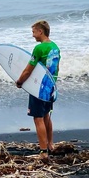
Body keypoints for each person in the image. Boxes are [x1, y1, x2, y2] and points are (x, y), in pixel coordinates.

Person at [15, 20, 60, 160]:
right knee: (46, 115)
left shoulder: (39, 49)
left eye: (34, 32)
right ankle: (50, 144)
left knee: (38, 118)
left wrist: (20, 81)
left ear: (41, 31)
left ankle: (43, 151)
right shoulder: (55, 47)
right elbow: (56, 69)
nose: (33, 36)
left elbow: (29, 70)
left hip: (39, 88)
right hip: (50, 87)